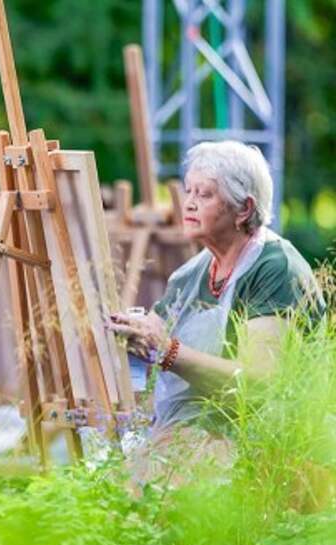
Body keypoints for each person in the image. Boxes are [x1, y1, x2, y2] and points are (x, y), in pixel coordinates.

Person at [107, 141, 324, 479]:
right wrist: (129, 333)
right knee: (122, 481)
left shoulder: (275, 268)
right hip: (192, 439)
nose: (189, 203)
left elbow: (259, 385)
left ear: (243, 209)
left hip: (266, 454)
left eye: (204, 194)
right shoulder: (190, 274)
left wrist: (167, 350)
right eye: (188, 190)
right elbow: (152, 336)